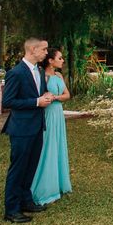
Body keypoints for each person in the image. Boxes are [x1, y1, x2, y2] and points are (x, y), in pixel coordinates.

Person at [2, 38, 53, 223]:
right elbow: (7, 101)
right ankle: (11, 210)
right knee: (18, 169)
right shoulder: (16, 73)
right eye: (44, 49)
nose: (46, 53)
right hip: (21, 129)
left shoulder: (39, 70)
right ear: (32, 49)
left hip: (37, 126)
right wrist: (36, 102)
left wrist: (46, 96)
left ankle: (26, 201)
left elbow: (40, 93)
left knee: (31, 167)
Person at [31, 48, 72, 205]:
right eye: (60, 58)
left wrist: (56, 97)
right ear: (50, 60)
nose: (62, 60)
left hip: (58, 113)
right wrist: (49, 98)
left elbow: (67, 95)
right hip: (48, 113)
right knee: (47, 146)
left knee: (58, 144)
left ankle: (59, 182)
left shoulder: (59, 75)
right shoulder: (43, 77)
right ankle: (45, 187)